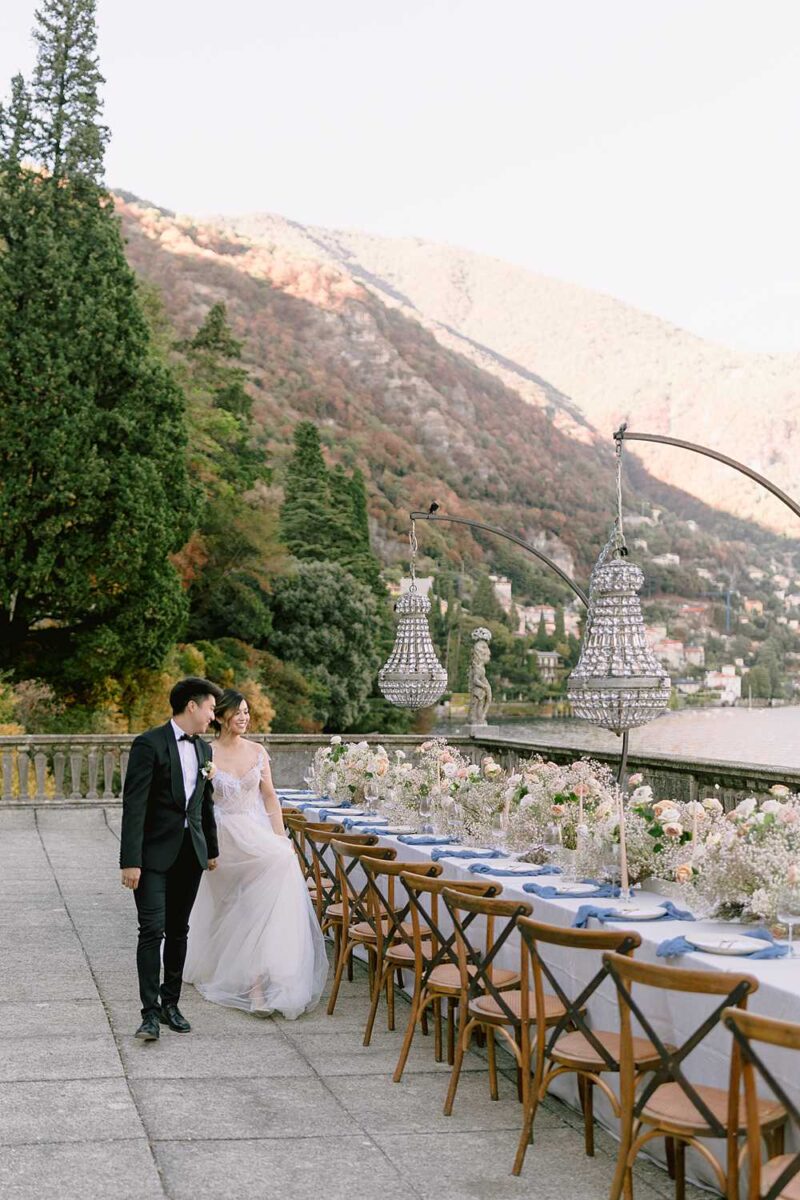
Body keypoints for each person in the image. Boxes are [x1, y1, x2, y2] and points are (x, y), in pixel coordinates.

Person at [184, 689, 327, 1018]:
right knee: (237, 907)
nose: (244, 718)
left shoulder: (258, 751)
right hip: (221, 836)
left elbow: (269, 797)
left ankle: (262, 984)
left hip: (254, 833)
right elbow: (195, 802)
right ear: (220, 717)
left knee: (276, 872)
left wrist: (281, 837)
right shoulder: (205, 751)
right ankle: (245, 977)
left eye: (247, 712)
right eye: (237, 713)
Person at [120, 676, 223, 1041]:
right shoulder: (148, 744)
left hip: (189, 854)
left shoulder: (204, 751)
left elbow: (204, 805)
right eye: (211, 708)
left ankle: (170, 1005)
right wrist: (129, 860)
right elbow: (134, 805)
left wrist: (210, 849)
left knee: (179, 931)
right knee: (151, 931)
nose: (214, 715)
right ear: (191, 706)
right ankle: (148, 1014)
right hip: (150, 857)